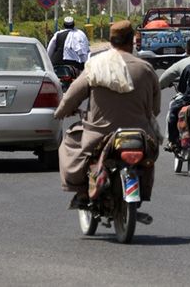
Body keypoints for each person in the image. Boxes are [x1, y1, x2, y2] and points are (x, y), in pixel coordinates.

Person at [54, 20, 162, 209]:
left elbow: (72, 95)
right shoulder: (145, 68)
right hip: (141, 136)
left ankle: (81, 190)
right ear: (132, 41)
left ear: (111, 41)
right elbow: (155, 109)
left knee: (70, 141)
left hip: (98, 136)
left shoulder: (95, 65)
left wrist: (61, 112)